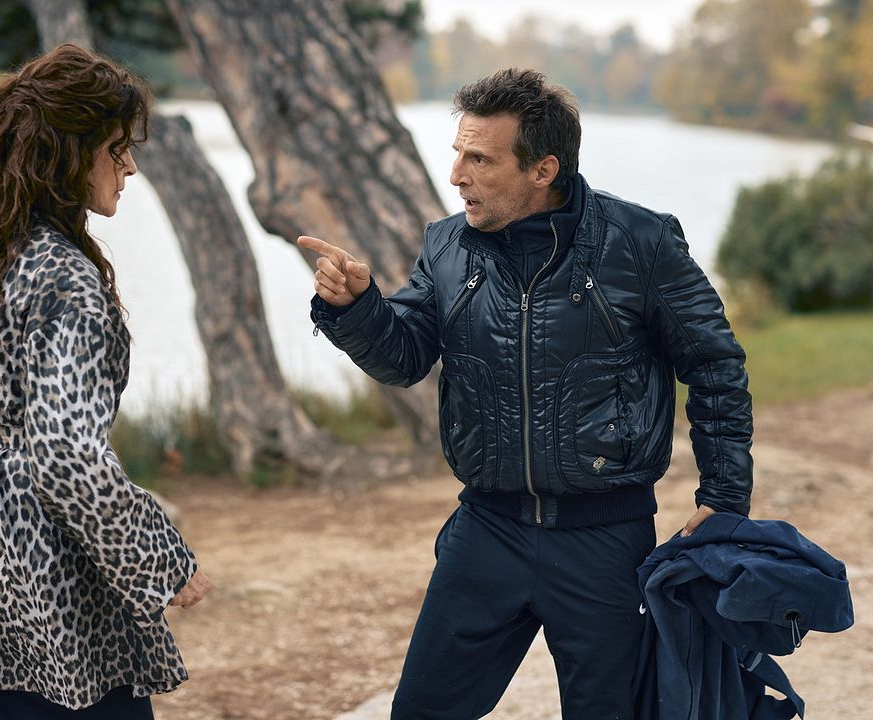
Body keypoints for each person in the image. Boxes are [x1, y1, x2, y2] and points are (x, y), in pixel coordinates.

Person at [301, 68, 753, 719]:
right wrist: (357, 309)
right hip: (486, 531)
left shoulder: (641, 244)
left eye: (479, 159)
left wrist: (725, 495)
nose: (456, 174)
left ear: (543, 169)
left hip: (606, 541)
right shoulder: (446, 246)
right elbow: (403, 357)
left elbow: (715, 365)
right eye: (459, 152)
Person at [0, 44, 211, 719]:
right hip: (44, 553)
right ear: (68, 153)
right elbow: (64, 453)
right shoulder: (67, 279)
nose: (130, 166)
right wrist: (158, 557)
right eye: (115, 148)